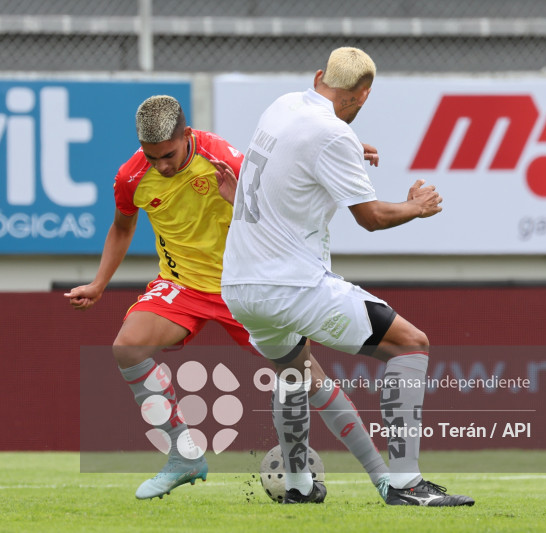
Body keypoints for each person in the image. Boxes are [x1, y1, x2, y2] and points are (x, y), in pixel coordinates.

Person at [64, 95, 390, 501]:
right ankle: (184, 456)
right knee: (127, 348)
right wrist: (99, 284)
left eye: (167, 155)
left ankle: (382, 476)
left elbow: (278, 195)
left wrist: (344, 151)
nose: (161, 166)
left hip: (245, 283)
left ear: (187, 135)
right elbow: (122, 227)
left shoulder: (223, 158)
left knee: (306, 378)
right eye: (152, 158)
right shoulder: (131, 177)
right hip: (182, 285)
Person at [221, 47, 475, 506]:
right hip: (291, 285)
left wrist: (350, 144)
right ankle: (406, 484)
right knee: (410, 344)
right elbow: (372, 217)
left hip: (239, 286)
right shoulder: (332, 135)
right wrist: (418, 207)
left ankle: (297, 486)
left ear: (319, 76)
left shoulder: (283, 106)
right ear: (363, 95)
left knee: (294, 372)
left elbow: (298, 151)